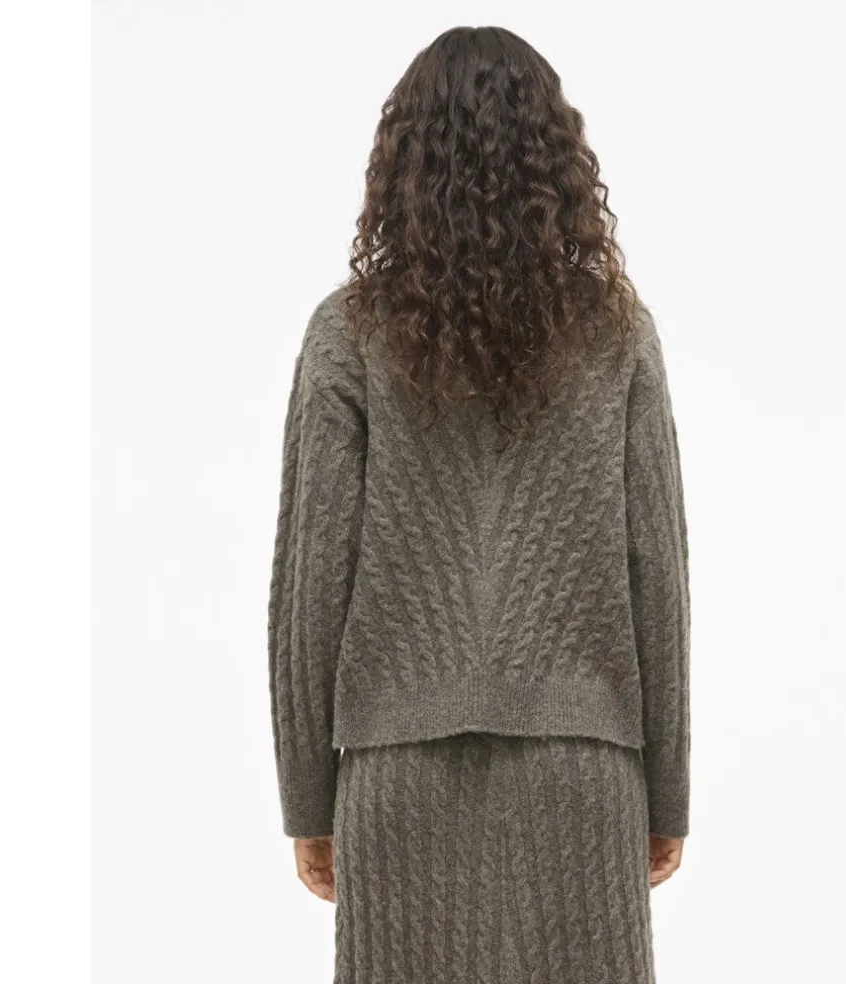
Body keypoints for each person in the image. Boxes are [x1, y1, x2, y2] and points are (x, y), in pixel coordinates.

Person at [267, 24, 690, 984]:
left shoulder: (348, 333)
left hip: (398, 777)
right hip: (582, 778)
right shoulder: (618, 332)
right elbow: (658, 573)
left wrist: (307, 799)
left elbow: (310, 585)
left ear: (402, 164)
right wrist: (667, 794)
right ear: (560, 167)